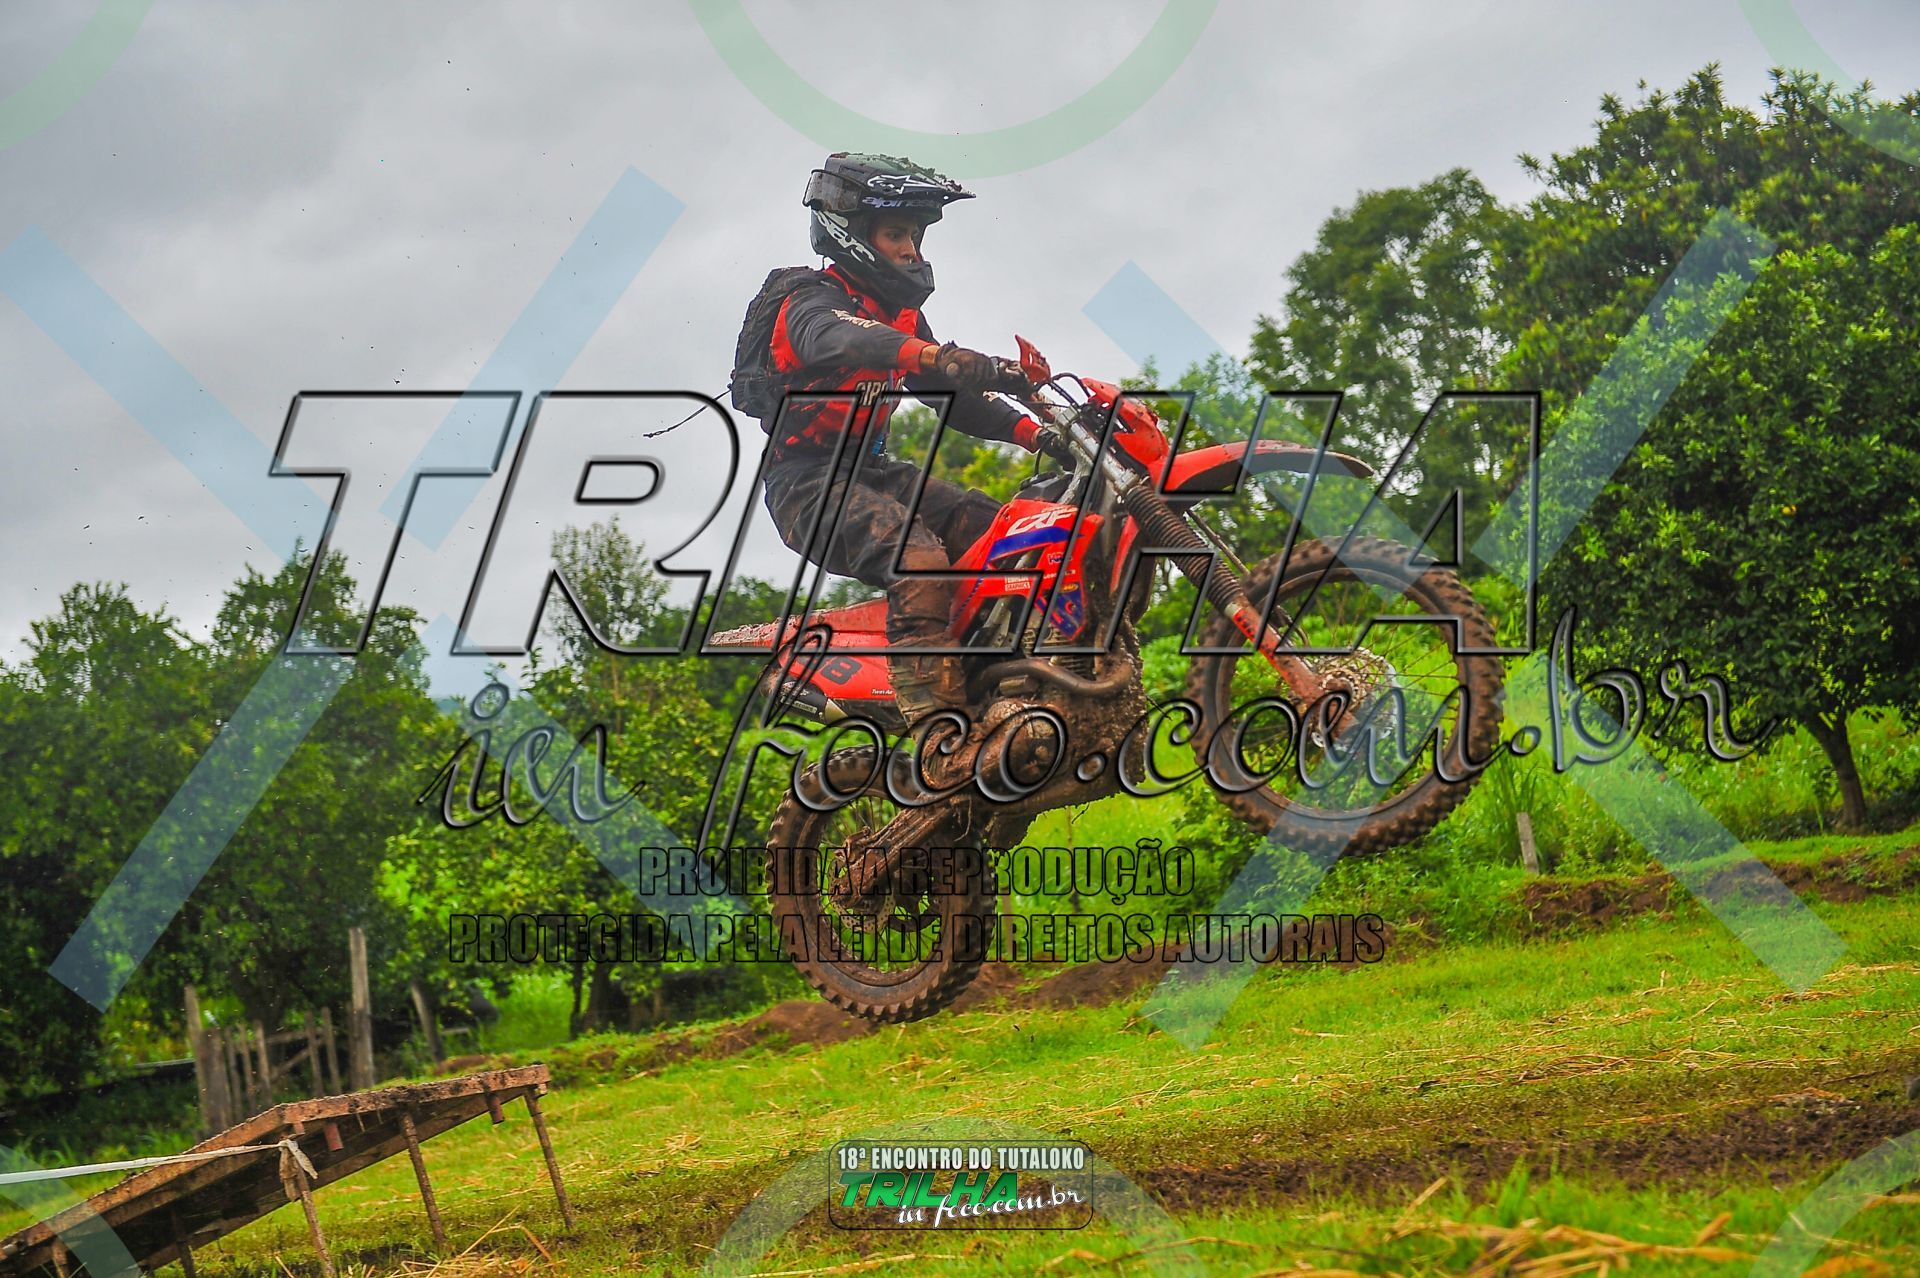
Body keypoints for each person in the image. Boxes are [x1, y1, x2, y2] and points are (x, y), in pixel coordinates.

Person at [732, 153, 1049, 726]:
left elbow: (953, 398)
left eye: (916, 236)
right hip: (806, 484)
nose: (911, 250)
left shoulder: (899, 316)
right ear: (852, 234)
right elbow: (837, 338)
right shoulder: (809, 301)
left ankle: (1011, 675)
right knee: (918, 557)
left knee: (1003, 533)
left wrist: (1037, 434)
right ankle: (930, 710)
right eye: (896, 234)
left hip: (874, 473)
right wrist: (934, 355)